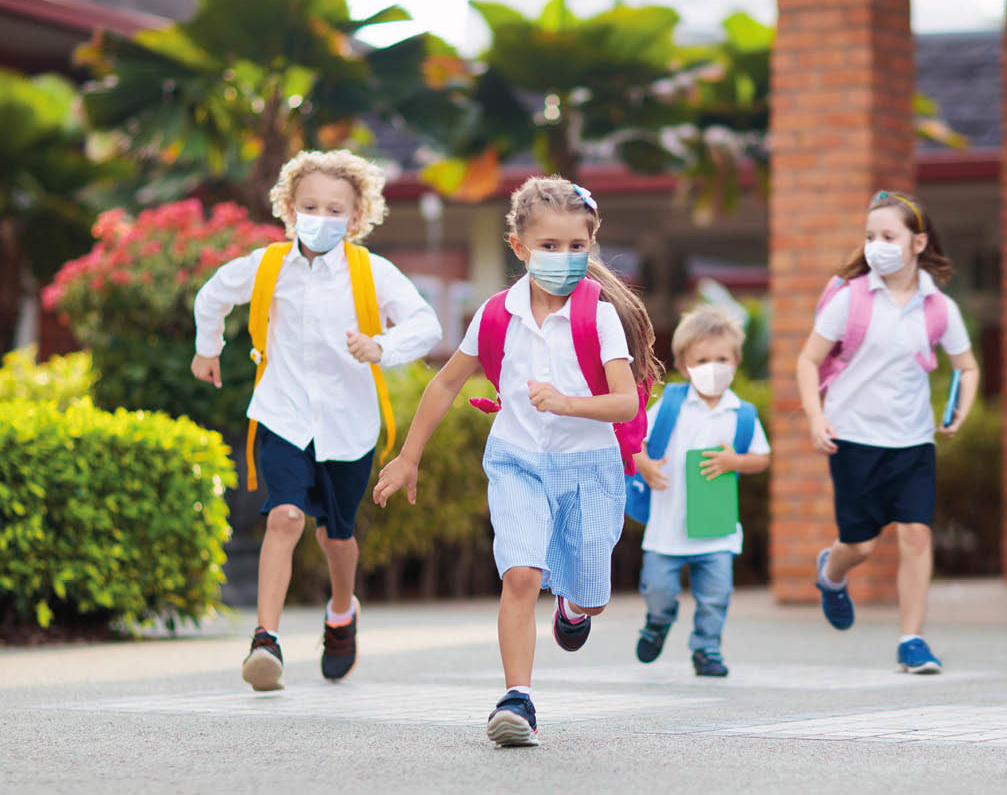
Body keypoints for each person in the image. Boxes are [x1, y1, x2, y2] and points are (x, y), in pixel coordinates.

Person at [372, 175, 662, 747]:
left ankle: (573, 608)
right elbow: (445, 383)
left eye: (576, 246)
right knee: (521, 574)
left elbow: (626, 402)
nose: (564, 257)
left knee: (592, 596)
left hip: (590, 468)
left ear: (591, 245)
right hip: (517, 461)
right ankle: (517, 700)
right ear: (520, 247)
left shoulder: (599, 315)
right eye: (549, 246)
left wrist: (568, 403)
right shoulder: (496, 314)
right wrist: (408, 457)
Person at [191, 149, 442, 691]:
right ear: (288, 208)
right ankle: (265, 641)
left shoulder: (371, 272)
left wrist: (381, 346)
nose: (321, 218)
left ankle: (342, 613)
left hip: (349, 426)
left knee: (336, 537)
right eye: (310, 206)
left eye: (335, 209)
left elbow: (425, 324)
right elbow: (212, 296)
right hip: (282, 415)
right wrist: (207, 348)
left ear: (356, 217)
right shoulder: (267, 266)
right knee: (284, 517)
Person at [796, 189, 979, 674]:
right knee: (860, 545)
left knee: (916, 535)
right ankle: (832, 574)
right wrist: (815, 417)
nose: (877, 245)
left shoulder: (939, 307)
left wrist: (960, 410)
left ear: (918, 243)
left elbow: (968, 367)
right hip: (853, 437)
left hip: (913, 441)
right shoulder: (851, 299)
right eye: (870, 236)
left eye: (889, 236)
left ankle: (912, 640)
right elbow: (808, 360)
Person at [632, 305, 771, 677]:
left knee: (715, 596)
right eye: (702, 360)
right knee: (658, 588)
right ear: (684, 364)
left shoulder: (741, 413)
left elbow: (761, 458)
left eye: (722, 359)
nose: (713, 367)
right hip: (667, 526)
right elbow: (635, 441)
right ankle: (658, 621)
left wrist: (736, 461)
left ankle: (707, 648)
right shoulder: (670, 405)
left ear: (736, 362)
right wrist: (644, 464)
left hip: (717, 528)